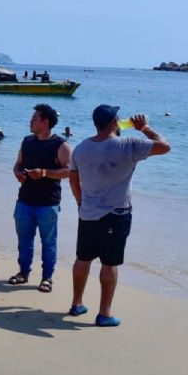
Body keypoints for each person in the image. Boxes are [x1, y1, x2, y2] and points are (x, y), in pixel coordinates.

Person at [68, 105, 171, 327]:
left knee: (82, 259)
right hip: (115, 214)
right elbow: (164, 146)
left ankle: (77, 304)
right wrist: (144, 127)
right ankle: (104, 313)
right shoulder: (128, 145)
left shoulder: (80, 148)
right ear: (115, 122)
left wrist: (80, 202)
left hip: (87, 214)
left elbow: (73, 180)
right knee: (109, 264)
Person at [8, 104, 73, 293]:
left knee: (49, 243)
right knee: (24, 241)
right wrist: (18, 173)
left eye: (35, 118)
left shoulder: (61, 145)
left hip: (48, 203)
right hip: (25, 201)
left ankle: (47, 278)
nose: (31, 121)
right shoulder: (27, 141)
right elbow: (17, 165)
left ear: (45, 122)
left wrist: (44, 173)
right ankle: (23, 273)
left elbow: (69, 171)